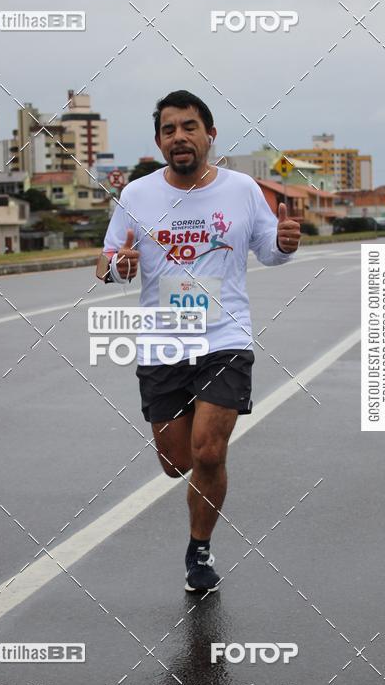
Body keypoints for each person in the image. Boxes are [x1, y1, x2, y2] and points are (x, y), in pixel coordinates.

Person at [96, 89, 301, 593]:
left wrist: (284, 244)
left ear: (209, 135)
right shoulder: (138, 195)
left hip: (224, 338)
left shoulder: (241, 190)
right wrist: (115, 267)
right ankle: (198, 493)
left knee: (209, 453)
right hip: (162, 343)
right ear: (159, 142)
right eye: (170, 130)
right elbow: (106, 262)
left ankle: (200, 550)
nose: (180, 137)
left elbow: (271, 252)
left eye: (190, 127)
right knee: (177, 462)